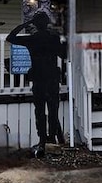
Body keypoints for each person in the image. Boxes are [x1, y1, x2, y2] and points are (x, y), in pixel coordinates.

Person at [7, 12, 66, 156]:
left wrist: (26, 24)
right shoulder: (53, 39)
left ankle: (42, 140)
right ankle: (52, 139)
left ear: (35, 24)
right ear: (47, 24)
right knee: (53, 111)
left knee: (39, 111)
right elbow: (64, 55)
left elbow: (10, 37)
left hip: (39, 79)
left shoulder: (32, 39)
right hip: (52, 79)